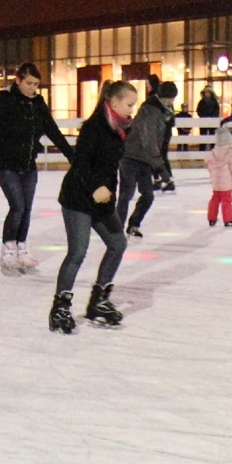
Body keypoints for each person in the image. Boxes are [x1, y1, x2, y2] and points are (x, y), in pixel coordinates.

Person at [0, 63, 75, 276]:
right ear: (18, 80)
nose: (32, 88)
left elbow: (52, 131)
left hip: (27, 162)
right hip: (5, 161)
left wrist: (72, 156)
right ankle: (8, 250)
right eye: (29, 83)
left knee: (27, 208)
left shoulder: (38, 104)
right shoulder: (4, 100)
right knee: (17, 206)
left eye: (36, 84)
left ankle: (21, 249)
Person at [48, 80, 139, 334]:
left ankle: (98, 300)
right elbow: (81, 164)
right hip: (78, 198)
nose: (132, 109)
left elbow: (111, 167)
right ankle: (60, 307)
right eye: (129, 104)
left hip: (102, 201)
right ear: (114, 103)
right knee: (78, 251)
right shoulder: (94, 127)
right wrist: (96, 187)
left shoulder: (120, 129)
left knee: (118, 244)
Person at [118, 81, 177, 238]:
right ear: (164, 97)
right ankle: (117, 229)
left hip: (145, 159)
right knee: (127, 193)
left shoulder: (164, 112)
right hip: (131, 156)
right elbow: (149, 142)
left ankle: (133, 224)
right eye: (171, 98)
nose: (172, 102)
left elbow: (157, 141)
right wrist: (162, 169)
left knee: (148, 195)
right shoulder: (150, 111)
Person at [206, 122, 232, 227]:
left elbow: (209, 166)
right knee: (226, 200)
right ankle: (228, 218)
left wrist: (214, 175)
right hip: (226, 183)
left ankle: (212, 218)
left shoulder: (213, 152)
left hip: (216, 182)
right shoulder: (230, 152)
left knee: (215, 199)